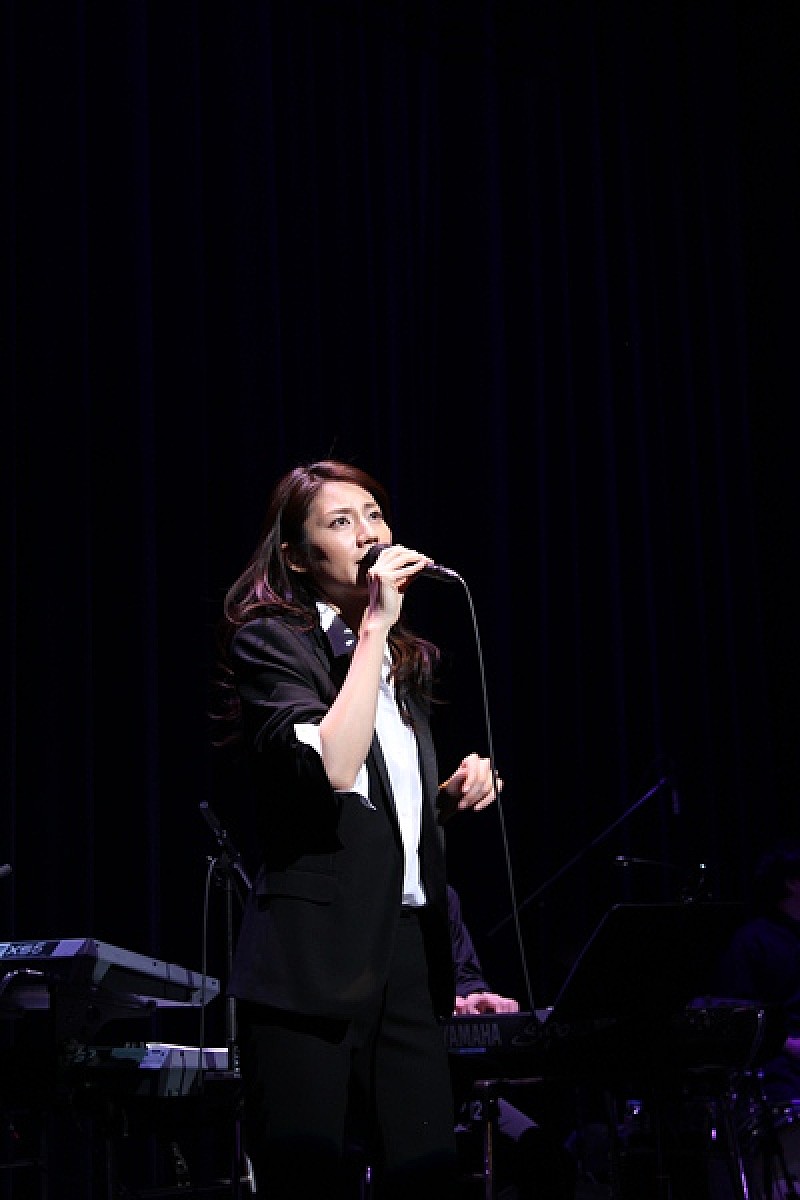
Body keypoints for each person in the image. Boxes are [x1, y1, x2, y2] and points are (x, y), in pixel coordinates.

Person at [211, 459, 501, 1200]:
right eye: (341, 522)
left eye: (374, 514)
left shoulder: (397, 659)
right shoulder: (272, 642)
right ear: (297, 556)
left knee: (426, 1171)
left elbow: (369, 813)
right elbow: (333, 772)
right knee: (309, 1177)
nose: (369, 533)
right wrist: (374, 625)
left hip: (406, 951)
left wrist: (443, 801)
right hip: (311, 959)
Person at [447, 885, 578, 1200]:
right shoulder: (362, 887)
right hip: (387, 1078)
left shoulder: (440, 893)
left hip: (456, 1087)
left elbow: (464, 975)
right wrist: (435, 1003)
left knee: (549, 1160)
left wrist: (478, 997)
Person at [714, 839, 800, 1195]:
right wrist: (790, 1044)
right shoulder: (753, 941)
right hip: (782, 1079)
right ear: (791, 883)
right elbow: (738, 1018)